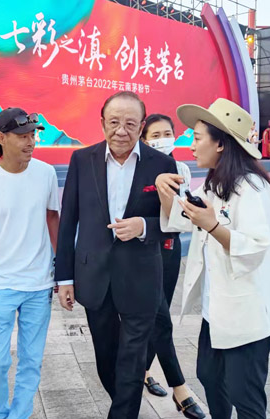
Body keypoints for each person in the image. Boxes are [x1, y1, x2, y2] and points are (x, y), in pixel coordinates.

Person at [155, 98, 270, 419]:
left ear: (221, 144)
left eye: (198, 138)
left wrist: (212, 225)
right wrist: (163, 190)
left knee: (245, 394)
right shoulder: (215, 185)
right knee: (210, 376)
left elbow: (255, 247)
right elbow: (182, 219)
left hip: (247, 315)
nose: (191, 145)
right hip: (218, 310)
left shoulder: (252, 188)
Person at [55, 91, 177, 418]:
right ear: (102, 123)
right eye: (114, 122)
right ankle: (124, 404)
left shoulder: (162, 164)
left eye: (130, 124)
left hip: (141, 276)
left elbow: (174, 223)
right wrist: (64, 278)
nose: (121, 131)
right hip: (94, 275)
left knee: (133, 359)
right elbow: (68, 222)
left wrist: (144, 226)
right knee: (107, 358)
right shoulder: (82, 160)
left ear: (141, 126)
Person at [0, 107, 60, 419]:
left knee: (31, 361)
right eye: (22, 136)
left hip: (39, 284)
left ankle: (19, 415)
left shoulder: (46, 173)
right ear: (1, 138)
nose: (31, 142)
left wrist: (63, 270)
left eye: (33, 135)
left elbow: (52, 218)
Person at [139, 115, 205, 419]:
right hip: (145, 249)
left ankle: (143, 370)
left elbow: (181, 216)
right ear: (144, 139)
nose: (162, 139)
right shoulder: (139, 169)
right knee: (161, 319)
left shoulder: (181, 169)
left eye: (167, 133)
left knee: (160, 313)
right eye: (155, 135)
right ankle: (180, 388)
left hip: (171, 247)